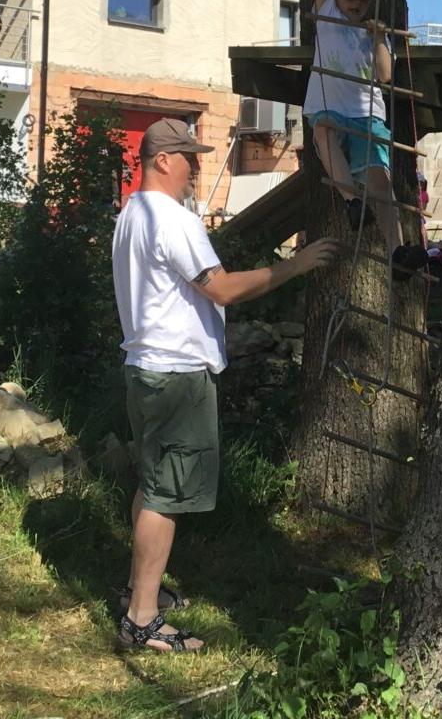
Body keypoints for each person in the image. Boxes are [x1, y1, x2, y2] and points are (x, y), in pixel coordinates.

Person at [111, 117, 340, 654]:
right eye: (189, 157)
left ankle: (136, 592)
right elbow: (223, 290)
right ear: (163, 160)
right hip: (176, 375)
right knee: (166, 496)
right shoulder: (171, 218)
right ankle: (142, 619)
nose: (196, 167)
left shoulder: (131, 213)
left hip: (145, 368)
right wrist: (297, 266)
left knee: (153, 482)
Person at [303, 0, 429, 282]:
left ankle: (398, 251)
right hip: (330, 105)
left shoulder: (374, 32)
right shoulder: (327, 14)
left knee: (381, 183)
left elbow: (386, 77)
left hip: (367, 113)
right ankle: (352, 204)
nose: (355, 4)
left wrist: (377, 39)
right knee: (322, 132)